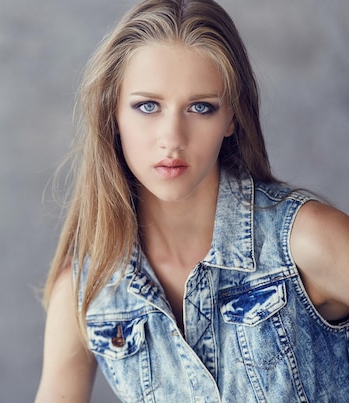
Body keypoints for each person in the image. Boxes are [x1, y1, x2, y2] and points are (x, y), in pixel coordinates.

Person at [34, 0, 349, 401]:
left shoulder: (307, 241)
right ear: (112, 113)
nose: (172, 137)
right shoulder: (86, 288)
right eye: (147, 106)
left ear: (231, 117)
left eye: (201, 108)